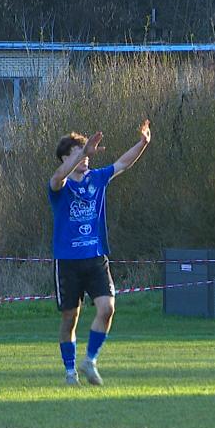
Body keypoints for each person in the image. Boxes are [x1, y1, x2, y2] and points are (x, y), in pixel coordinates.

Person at [49, 119, 151, 385]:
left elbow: (123, 163)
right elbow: (58, 177)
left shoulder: (97, 178)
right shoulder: (60, 186)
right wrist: (82, 152)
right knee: (70, 318)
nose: (86, 157)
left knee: (107, 309)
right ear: (65, 158)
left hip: (95, 258)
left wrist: (142, 143)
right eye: (78, 153)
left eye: (86, 153)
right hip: (68, 262)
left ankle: (90, 361)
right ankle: (69, 372)